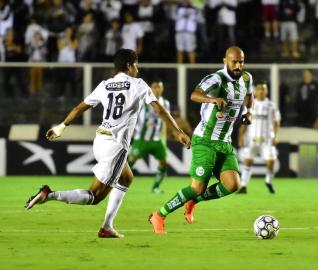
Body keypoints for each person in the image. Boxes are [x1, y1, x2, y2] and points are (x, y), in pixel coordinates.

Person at [25, 49, 191, 239]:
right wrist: (178, 131)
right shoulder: (138, 84)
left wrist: (61, 127)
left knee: (126, 178)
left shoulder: (106, 84)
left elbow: (80, 107)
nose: (138, 68)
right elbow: (159, 109)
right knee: (94, 196)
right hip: (116, 146)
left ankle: (107, 226)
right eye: (136, 64)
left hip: (100, 140)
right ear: (129, 65)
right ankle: (50, 194)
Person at [149, 46, 253, 234]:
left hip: (225, 142)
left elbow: (249, 96)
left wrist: (248, 112)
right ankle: (159, 214)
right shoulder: (216, 79)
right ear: (225, 61)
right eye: (234, 62)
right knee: (197, 187)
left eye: (241, 61)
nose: (238, 65)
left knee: (233, 185)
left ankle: (193, 200)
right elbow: (194, 95)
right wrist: (213, 100)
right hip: (205, 140)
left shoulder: (246, 78)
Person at [237, 81, 281, 194]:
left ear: (267, 91)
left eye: (263, 89)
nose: (261, 91)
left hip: (267, 140)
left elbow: (276, 122)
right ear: (255, 91)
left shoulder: (272, 106)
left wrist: (275, 136)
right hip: (251, 140)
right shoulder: (250, 105)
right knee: (247, 162)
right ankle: (243, 185)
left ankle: (269, 181)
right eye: (259, 89)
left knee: (271, 163)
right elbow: (244, 123)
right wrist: (241, 136)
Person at [128, 79, 170, 194]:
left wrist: (164, 139)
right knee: (130, 162)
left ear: (162, 89)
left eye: (159, 87)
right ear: (150, 88)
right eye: (155, 86)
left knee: (163, 163)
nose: (157, 89)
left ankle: (155, 187)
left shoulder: (165, 103)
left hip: (157, 140)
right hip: (142, 140)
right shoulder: (142, 102)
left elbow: (165, 122)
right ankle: (116, 184)